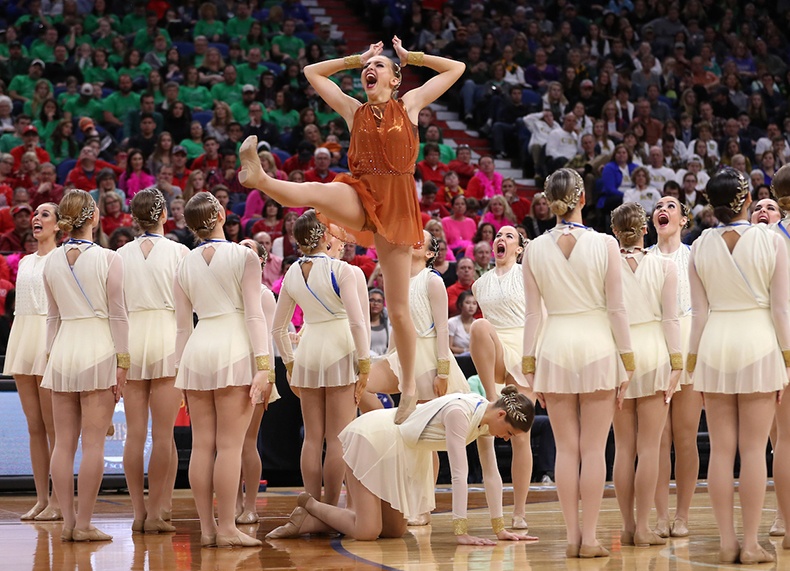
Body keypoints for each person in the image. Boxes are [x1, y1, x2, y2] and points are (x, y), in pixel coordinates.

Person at [239, 38, 465, 424]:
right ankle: (260, 178)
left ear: (395, 80)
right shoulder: (353, 110)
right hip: (361, 193)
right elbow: (312, 73)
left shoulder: (409, 105)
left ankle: (409, 387)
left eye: (379, 65)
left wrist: (413, 59)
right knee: (316, 192)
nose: (369, 70)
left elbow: (455, 68)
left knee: (397, 309)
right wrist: (352, 60)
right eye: (367, 68)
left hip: (396, 206)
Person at [522, 169, 633, 558]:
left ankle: (572, 538)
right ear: (582, 198)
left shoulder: (533, 248)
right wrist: (628, 361)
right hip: (598, 346)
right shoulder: (605, 244)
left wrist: (529, 365)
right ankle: (589, 538)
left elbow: (532, 316)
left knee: (566, 450)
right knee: (594, 448)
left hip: (554, 347)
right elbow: (617, 309)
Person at [266, 387, 536, 545]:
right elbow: (458, 473)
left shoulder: (484, 418)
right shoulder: (461, 413)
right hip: (375, 440)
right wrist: (461, 531)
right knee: (367, 532)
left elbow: (492, 473)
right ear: (501, 414)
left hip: (398, 452)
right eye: (509, 432)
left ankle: (312, 521)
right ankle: (312, 505)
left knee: (395, 531)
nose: (505, 438)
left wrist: (499, 529)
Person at [688, 168, 789, 564]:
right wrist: (787, 359)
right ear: (746, 200)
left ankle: (728, 541)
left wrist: (692, 366)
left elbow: (698, 315)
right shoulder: (771, 242)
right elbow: (781, 310)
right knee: (752, 451)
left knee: (720, 451)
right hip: (759, 342)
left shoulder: (697, 245)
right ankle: (749, 544)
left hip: (715, 343)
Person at [174, 192, 277, 548]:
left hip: (198, 349)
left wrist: (179, 372)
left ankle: (206, 529)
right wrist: (264, 364)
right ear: (220, 214)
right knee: (231, 447)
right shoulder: (244, 255)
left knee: (202, 446)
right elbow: (253, 313)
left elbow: (182, 328)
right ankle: (228, 528)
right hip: (233, 346)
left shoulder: (183, 262)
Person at [42, 190, 129, 542]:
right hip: (98, 347)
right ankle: (84, 524)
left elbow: (51, 318)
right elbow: (118, 315)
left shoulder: (50, 260)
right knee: (93, 444)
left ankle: (66, 524)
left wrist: (51, 358)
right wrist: (124, 363)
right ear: (94, 216)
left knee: (63, 443)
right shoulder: (110, 258)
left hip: (63, 349)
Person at [271, 210, 370, 507]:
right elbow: (357, 323)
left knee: (312, 438)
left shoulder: (291, 272)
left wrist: (290, 364)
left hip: (309, 350)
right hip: (340, 348)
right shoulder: (342, 270)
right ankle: (330, 508)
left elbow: (278, 329)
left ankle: (312, 507)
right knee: (338, 437)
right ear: (325, 237)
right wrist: (365, 364)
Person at [609, 202, 682, 548]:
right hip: (654, 353)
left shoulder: (605, 268)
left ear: (614, 231)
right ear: (644, 230)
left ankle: (626, 526)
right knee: (650, 448)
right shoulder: (665, 266)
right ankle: (643, 526)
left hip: (617, 357)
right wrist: (678, 362)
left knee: (623, 448)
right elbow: (671, 319)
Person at [117, 188, 188, 534]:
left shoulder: (120, 254)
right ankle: (158, 511)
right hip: (167, 337)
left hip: (131, 336)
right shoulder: (179, 251)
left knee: (134, 435)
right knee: (164, 436)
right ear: (164, 216)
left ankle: (140, 511)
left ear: (133, 218)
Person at [469, 225, 534, 531]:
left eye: (509, 236)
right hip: (495, 351)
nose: (501, 239)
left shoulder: (528, 274)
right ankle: (488, 392)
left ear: (520, 248)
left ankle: (519, 511)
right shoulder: (478, 285)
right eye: (498, 235)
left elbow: (541, 316)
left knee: (521, 435)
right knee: (479, 327)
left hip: (523, 350)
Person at [3, 202, 61, 522]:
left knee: (54, 429)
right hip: (23, 336)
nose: (37, 219)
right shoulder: (24, 261)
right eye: (35, 215)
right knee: (34, 427)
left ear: (58, 225)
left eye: (44, 215)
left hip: (48, 337)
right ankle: (41, 499)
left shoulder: (62, 258)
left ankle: (58, 499)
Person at [649, 195, 702, 540]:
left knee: (685, 437)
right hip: (654, 347)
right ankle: (661, 515)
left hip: (690, 343)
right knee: (657, 439)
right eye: (658, 205)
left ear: (683, 220)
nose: (663, 209)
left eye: (671, 206)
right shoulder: (643, 259)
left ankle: (682, 515)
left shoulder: (695, 257)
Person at [236, 238, 278, 524]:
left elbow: (270, 339)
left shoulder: (264, 295)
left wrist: (269, 377)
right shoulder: (229, 292)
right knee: (229, 445)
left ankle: (250, 504)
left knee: (247, 442)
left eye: (249, 251)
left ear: (261, 261)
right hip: (230, 368)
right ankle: (233, 503)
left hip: (256, 370)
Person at [766, 165, 790, 542]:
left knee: (782, 436)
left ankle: (785, 520)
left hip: (774, 338)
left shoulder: (764, 237)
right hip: (778, 334)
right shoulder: (768, 236)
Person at [449, 290, 477, 355]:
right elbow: (449, 347)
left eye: (474, 303)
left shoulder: (477, 324)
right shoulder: (452, 322)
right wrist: (466, 350)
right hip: (457, 358)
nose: (471, 306)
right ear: (460, 305)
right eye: (467, 303)